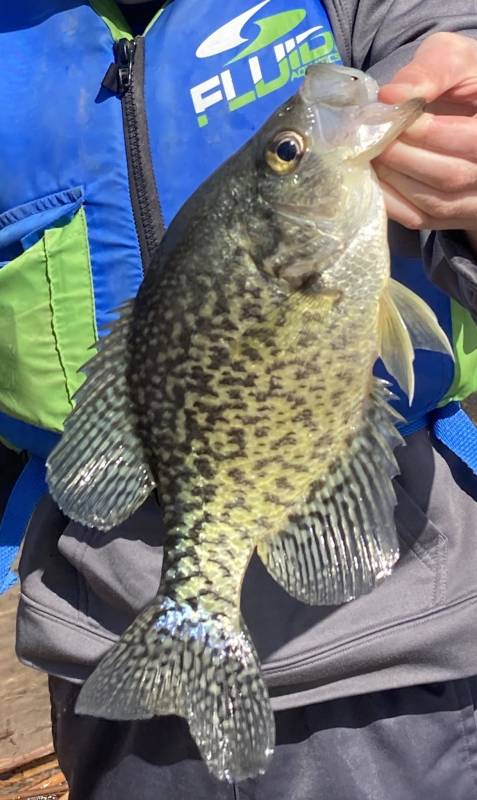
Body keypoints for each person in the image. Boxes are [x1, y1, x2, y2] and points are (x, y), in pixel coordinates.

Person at [1, 1, 477, 798]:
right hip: (104, 659)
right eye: (289, 151)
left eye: (284, 153)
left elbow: (447, 41)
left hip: (395, 650)